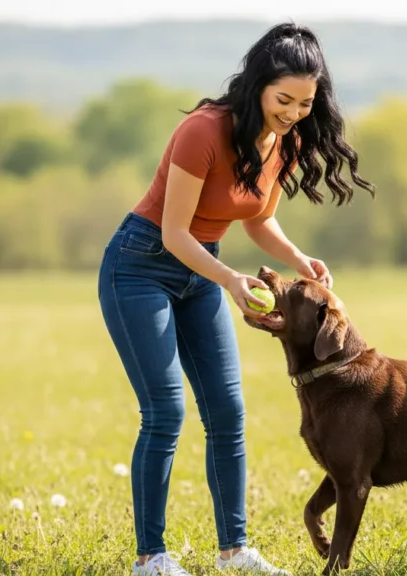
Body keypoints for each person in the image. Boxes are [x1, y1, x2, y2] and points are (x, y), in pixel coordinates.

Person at [97, 22, 375, 576]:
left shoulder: (286, 140)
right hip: (140, 267)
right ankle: (151, 558)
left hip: (202, 269)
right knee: (166, 412)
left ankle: (234, 551)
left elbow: (259, 217)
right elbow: (175, 233)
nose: (294, 112)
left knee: (227, 412)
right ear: (257, 86)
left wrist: (296, 258)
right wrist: (227, 278)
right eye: (283, 99)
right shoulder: (204, 131)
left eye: (306, 102)